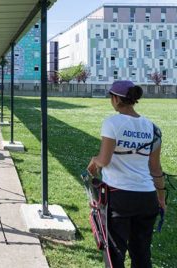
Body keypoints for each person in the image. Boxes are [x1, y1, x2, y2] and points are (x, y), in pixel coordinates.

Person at [87, 80, 166, 267]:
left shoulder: (112, 123)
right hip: (147, 198)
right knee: (142, 253)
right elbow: (155, 168)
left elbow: (104, 161)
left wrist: (93, 161)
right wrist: (161, 198)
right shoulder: (152, 128)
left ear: (115, 99)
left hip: (118, 196)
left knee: (114, 253)